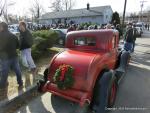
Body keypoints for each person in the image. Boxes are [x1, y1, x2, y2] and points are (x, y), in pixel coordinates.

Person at [0, 22, 23, 89]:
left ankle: (2, 85)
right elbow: (18, 46)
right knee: (17, 70)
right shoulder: (13, 35)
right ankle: (20, 82)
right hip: (14, 56)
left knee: (4, 72)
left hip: (4, 58)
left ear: (2, 27)